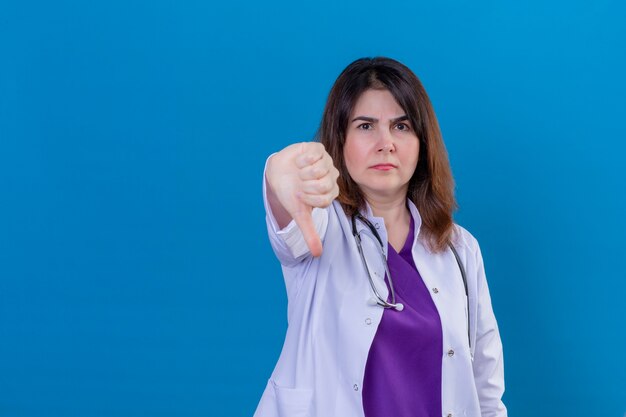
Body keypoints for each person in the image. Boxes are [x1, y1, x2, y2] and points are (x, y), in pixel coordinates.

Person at [254, 57, 507, 417]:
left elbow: (485, 378)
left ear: (422, 143)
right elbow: (287, 218)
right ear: (339, 139)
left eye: (401, 126)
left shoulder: (459, 248)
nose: (385, 143)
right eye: (366, 126)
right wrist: (277, 173)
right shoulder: (320, 224)